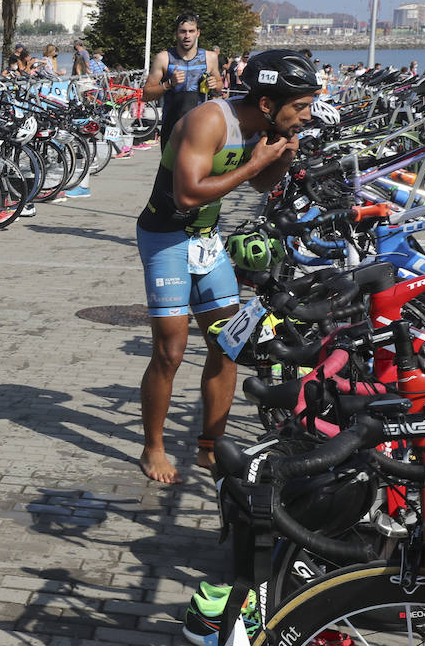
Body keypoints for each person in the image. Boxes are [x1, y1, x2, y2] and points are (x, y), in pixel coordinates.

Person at [135, 50, 316, 484]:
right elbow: (188, 195)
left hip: (205, 240)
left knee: (228, 344)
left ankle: (210, 448)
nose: (307, 116)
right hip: (165, 237)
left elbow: (257, 183)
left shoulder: (262, 127)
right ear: (268, 104)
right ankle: (153, 448)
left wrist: (282, 158)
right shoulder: (210, 121)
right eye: (300, 106)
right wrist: (257, 161)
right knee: (170, 352)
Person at [143, 13, 222, 149]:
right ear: (176, 33)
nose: (187, 36)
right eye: (183, 31)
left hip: (200, 127)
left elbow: (220, 87)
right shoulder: (164, 58)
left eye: (191, 31)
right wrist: (168, 84)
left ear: (198, 33)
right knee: (170, 170)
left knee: (196, 170)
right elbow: (146, 94)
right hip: (172, 127)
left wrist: (215, 85)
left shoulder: (210, 58)